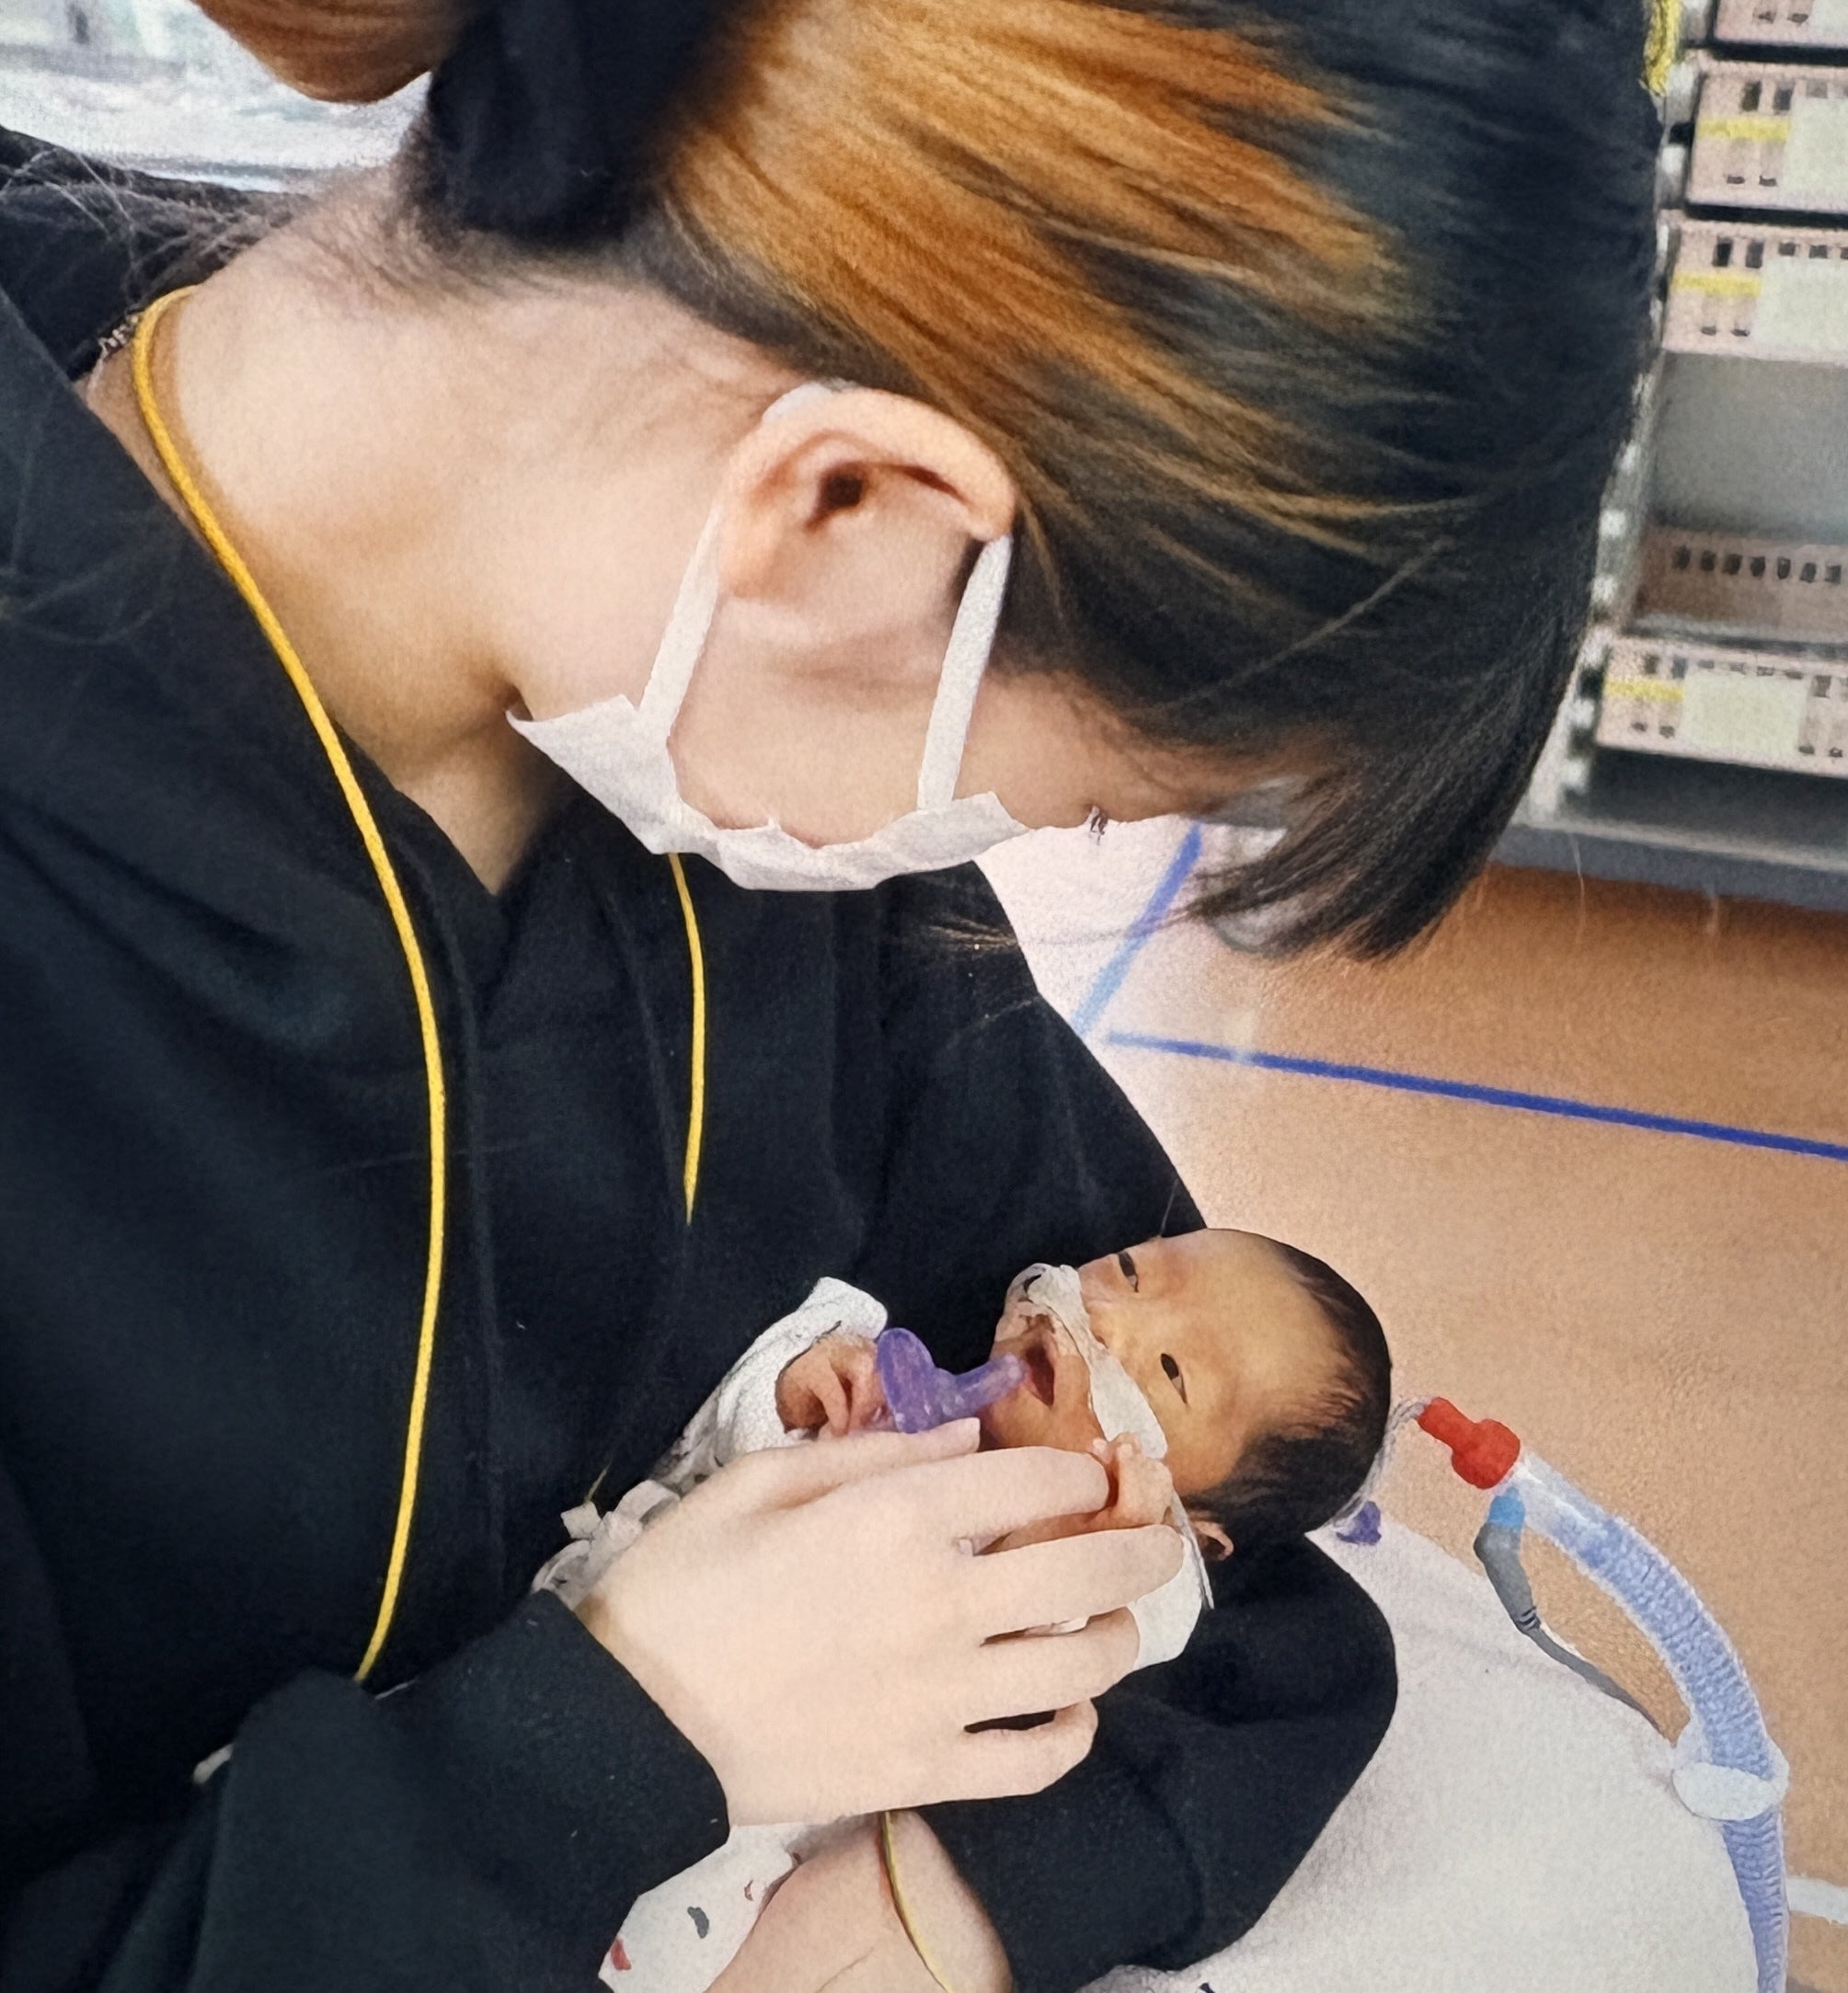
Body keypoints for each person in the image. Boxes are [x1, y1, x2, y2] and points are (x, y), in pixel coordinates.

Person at [0, 0, 1657, 1986]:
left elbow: (1232, 1558)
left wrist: (928, 1903)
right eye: (1083, 796)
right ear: (847, 515)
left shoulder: (769, 869)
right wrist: (618, 1735)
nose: (989, 850)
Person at [565, 1231, 1394, 1991]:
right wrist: (792, 1386)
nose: (1108, 1321)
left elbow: (1004, 1695)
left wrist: (1064, 1548)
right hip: (589, 1644)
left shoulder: (1108, 1583)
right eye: (1132, 1270)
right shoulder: (880, 1362)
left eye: (1172, 1372)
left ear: (1185, 1525)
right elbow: (704, 1436)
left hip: (724, 1839)